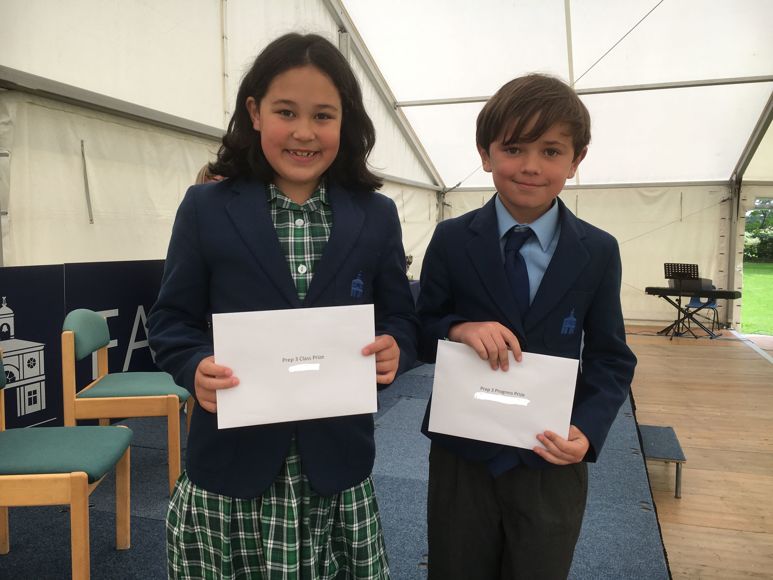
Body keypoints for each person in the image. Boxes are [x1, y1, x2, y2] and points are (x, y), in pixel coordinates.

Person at [147, 32, 418, 579]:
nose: (304, 132)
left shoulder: (375, 214)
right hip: (231, 464)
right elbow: (171, 319)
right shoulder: (205, 208)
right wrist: (193, 365)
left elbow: (400, 317)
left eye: (323, 116)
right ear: (255, 112)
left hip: (335, 464)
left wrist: (397, 347)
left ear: (345, 121)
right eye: (286, 112)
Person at [416, 73, 637, 579]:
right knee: (455, 567)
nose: (531, 166)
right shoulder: (452, 239)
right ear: (485, 153)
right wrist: (458, 329)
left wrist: (588, 429)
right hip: (463, 452)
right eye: (514, 148)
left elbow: (610, 356)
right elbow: (422, 327)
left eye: (551, 151)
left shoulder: (598, 250)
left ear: (576, 161)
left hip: (550, 454)